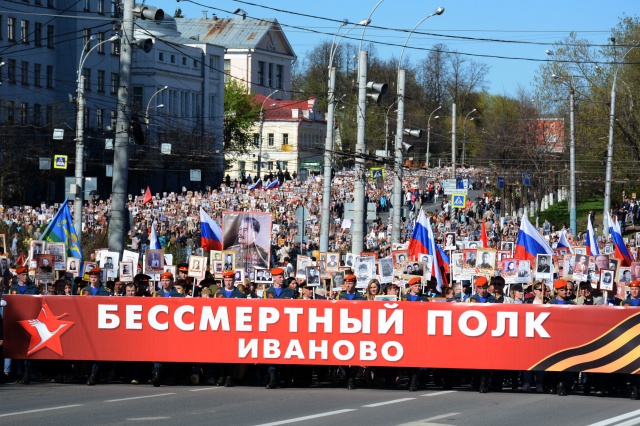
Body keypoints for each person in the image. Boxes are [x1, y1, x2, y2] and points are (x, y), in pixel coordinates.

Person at [214, 271, 246, 387]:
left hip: (234, 328)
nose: (228, 283)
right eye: (226, 280)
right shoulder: (219, 294)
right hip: (222, 328)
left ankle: (230, 376)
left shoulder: (240, 295)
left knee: (232, 354)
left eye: (230, 280)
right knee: (221, 354)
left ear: (234, 281)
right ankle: (222, 375)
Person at [81, 268, 110, 386]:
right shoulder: (84, 290)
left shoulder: (105, 291)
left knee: (97, 350)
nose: (93, 279)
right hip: (87, 324)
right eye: (91, 277)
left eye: (95, 277)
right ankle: (88, 373)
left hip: (100, 323)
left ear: (99, 278)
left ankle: (94, 374)